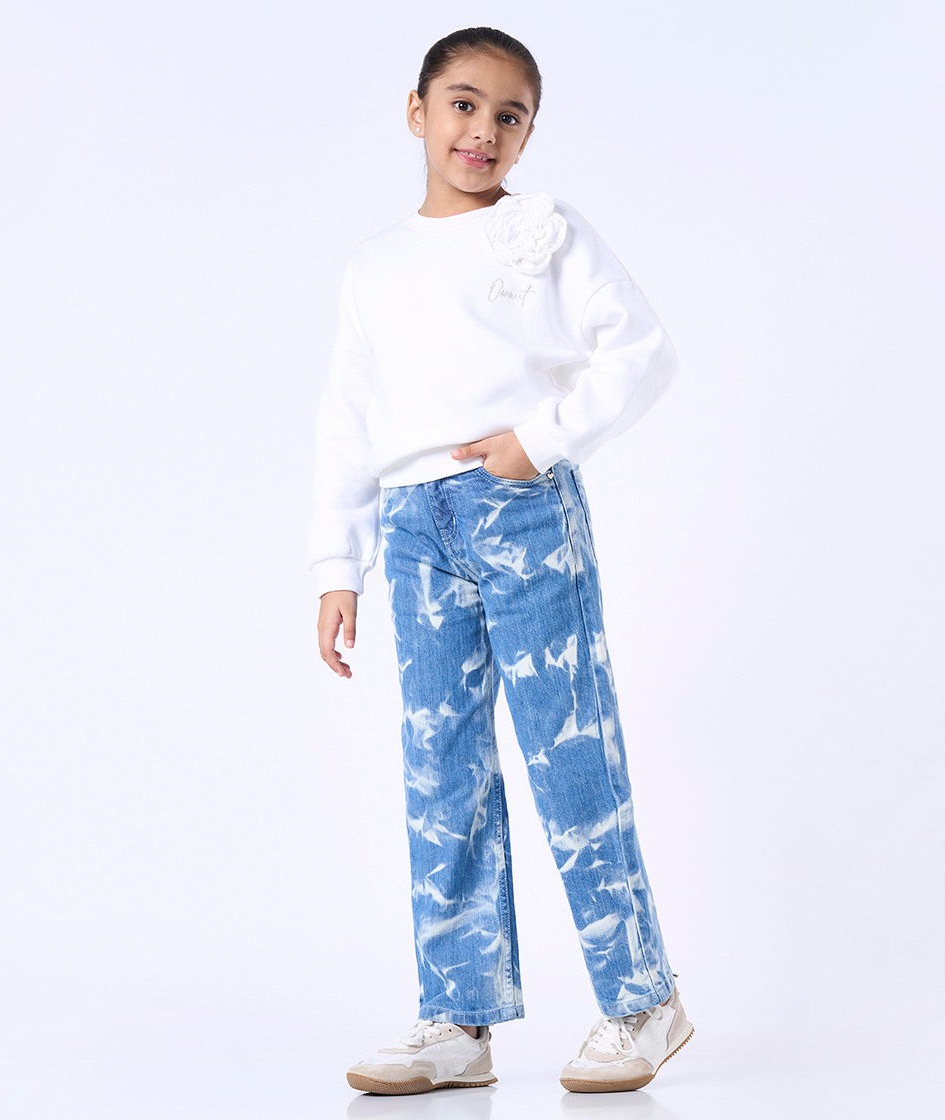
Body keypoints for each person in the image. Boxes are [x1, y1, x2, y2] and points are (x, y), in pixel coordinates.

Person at [310, 26, 691, 1096]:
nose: (483, 130)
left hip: (520, 511)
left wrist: (542, 440)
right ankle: (458, 1016)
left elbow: (642, 348)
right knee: (442, 769)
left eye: (509, 114)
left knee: (569, 751)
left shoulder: (545, 234)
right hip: (413, 527)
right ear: (418, 111)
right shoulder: (374, 266)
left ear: (529, 135)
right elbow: (347, 417)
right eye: (464, 104)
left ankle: (643, 999)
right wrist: (336, 563)